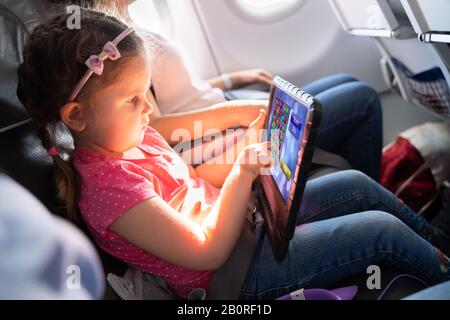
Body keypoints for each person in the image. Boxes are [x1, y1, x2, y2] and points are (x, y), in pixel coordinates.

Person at [17, 10, 450, 300]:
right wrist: (243, 174)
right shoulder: (109, 190)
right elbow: (206, 252)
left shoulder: (130, 135)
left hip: (245, 225)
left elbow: (195, 176)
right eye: (132, 99)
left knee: (354, 186)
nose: (148, 109)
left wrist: (248, 135)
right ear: (76, 116)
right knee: (378, 231)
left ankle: (439, 250)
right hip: (234, 275)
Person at [57, 0, 382, 180]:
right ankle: (367, 194)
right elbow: (153, 126)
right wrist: (234, 114)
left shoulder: (123, 22)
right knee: (363, 100)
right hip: (212, 133)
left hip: (221, 105)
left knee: (346, 84)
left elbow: (179, 93)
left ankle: (358, 184)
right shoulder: (108, 42)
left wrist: (231, 80)